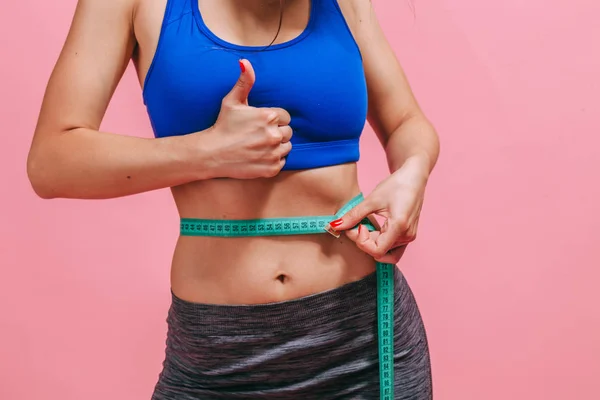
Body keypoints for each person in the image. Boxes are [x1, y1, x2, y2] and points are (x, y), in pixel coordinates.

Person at [27, 0, 440, 398]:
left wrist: (411, 175)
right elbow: (52, 162)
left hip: (363, 340)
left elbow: (407, 122)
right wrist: (208, 151)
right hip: (217, 354)